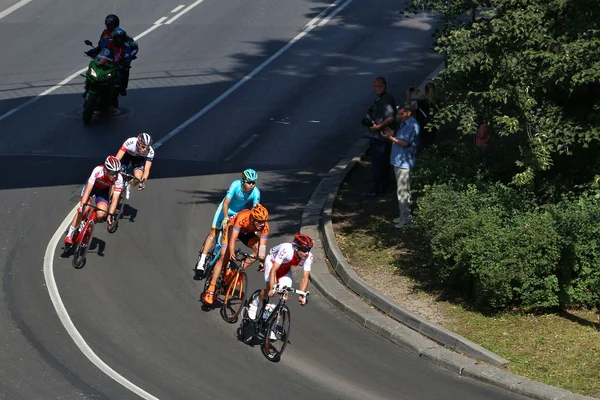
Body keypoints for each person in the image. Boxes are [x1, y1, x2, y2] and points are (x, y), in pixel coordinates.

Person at [193, 169, 261, 279]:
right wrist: (225, 217)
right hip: (225, 209)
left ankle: (222, 257)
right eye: (249, 182)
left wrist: (253, 226)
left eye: (254, 183)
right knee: (214, 232)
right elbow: (226, 203)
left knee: (232, 236)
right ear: (243, 181)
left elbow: (255, 212)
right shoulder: (235, 185)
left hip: (237, 213)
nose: (252, 185)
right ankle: (201, 262)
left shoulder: (256, 192)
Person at [202, 204, 270, 305]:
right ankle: (211, 287)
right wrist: (231, 251)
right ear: (253, 219)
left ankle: (238, 270)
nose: (262, 224)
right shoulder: (243, 217)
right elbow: (233, 238)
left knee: (258, 248)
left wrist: (261, 261)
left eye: (264, 221)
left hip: (247, 233)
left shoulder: (265, 227)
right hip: (232, 227)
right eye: (260, 222)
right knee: (224, 255)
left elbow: (263, 246)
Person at [247, 233, 314, 320]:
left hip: (284, 269)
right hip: (271, 263)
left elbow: (305, 278)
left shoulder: (309, 257)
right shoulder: (286, 250)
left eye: (309, 249)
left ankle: (272, 327)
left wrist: (302, 294)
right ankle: (255, 302)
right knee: (270, 291)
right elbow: (273, 269)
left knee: (284, 297)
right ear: (296, 248)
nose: (307, 253)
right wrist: (272, 288)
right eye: (304, 250)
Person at [64, 156, 124, 245]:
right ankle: (70, 233)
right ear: (106, 170)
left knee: (101, 214)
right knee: (84, 210)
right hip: (92, 187)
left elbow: (115, 199)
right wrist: (82, 206)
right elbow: (88, 190)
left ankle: (88, 224)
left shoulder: (119, 179)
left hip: (103, 191)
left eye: (116, 172)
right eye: (112, 173)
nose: (114, 175)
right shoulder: (98, 171)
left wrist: (110, 215)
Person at [381, 106, 420, 229]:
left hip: (404, 164)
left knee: (403, 191)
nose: (400, 116)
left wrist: (390, 138)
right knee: (401, 191)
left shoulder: (411, 125)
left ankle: (406, 219)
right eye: (399, 114)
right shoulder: (405, 124)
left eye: (402, 113)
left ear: (409, 113)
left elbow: (405, 143)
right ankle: (403, 216)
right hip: (398, 162)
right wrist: (392, 135)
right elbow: (400, 139)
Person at [364, 77, 397, 197]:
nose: (375, 88)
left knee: (379, 164)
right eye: (374, 86)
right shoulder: (381, 98)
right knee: (379, 164)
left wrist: (378, 127)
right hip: (376, 137)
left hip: (381, 138)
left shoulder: (387, 99)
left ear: (384, 86)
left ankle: (379, 188)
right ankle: (383, 186)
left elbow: (391, 117)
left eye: (378, 86)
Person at [115, 133, 154, 199]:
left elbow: (147, 170)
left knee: (138, 177)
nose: (145, 150)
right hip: (127, 156)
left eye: (147, 148)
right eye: (143, 147)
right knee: (118, 173)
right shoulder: (130, 142)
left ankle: (128, 185)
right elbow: (117, 158)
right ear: (138, 144)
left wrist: (142, 182)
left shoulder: (150, 152)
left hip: (138, 159)